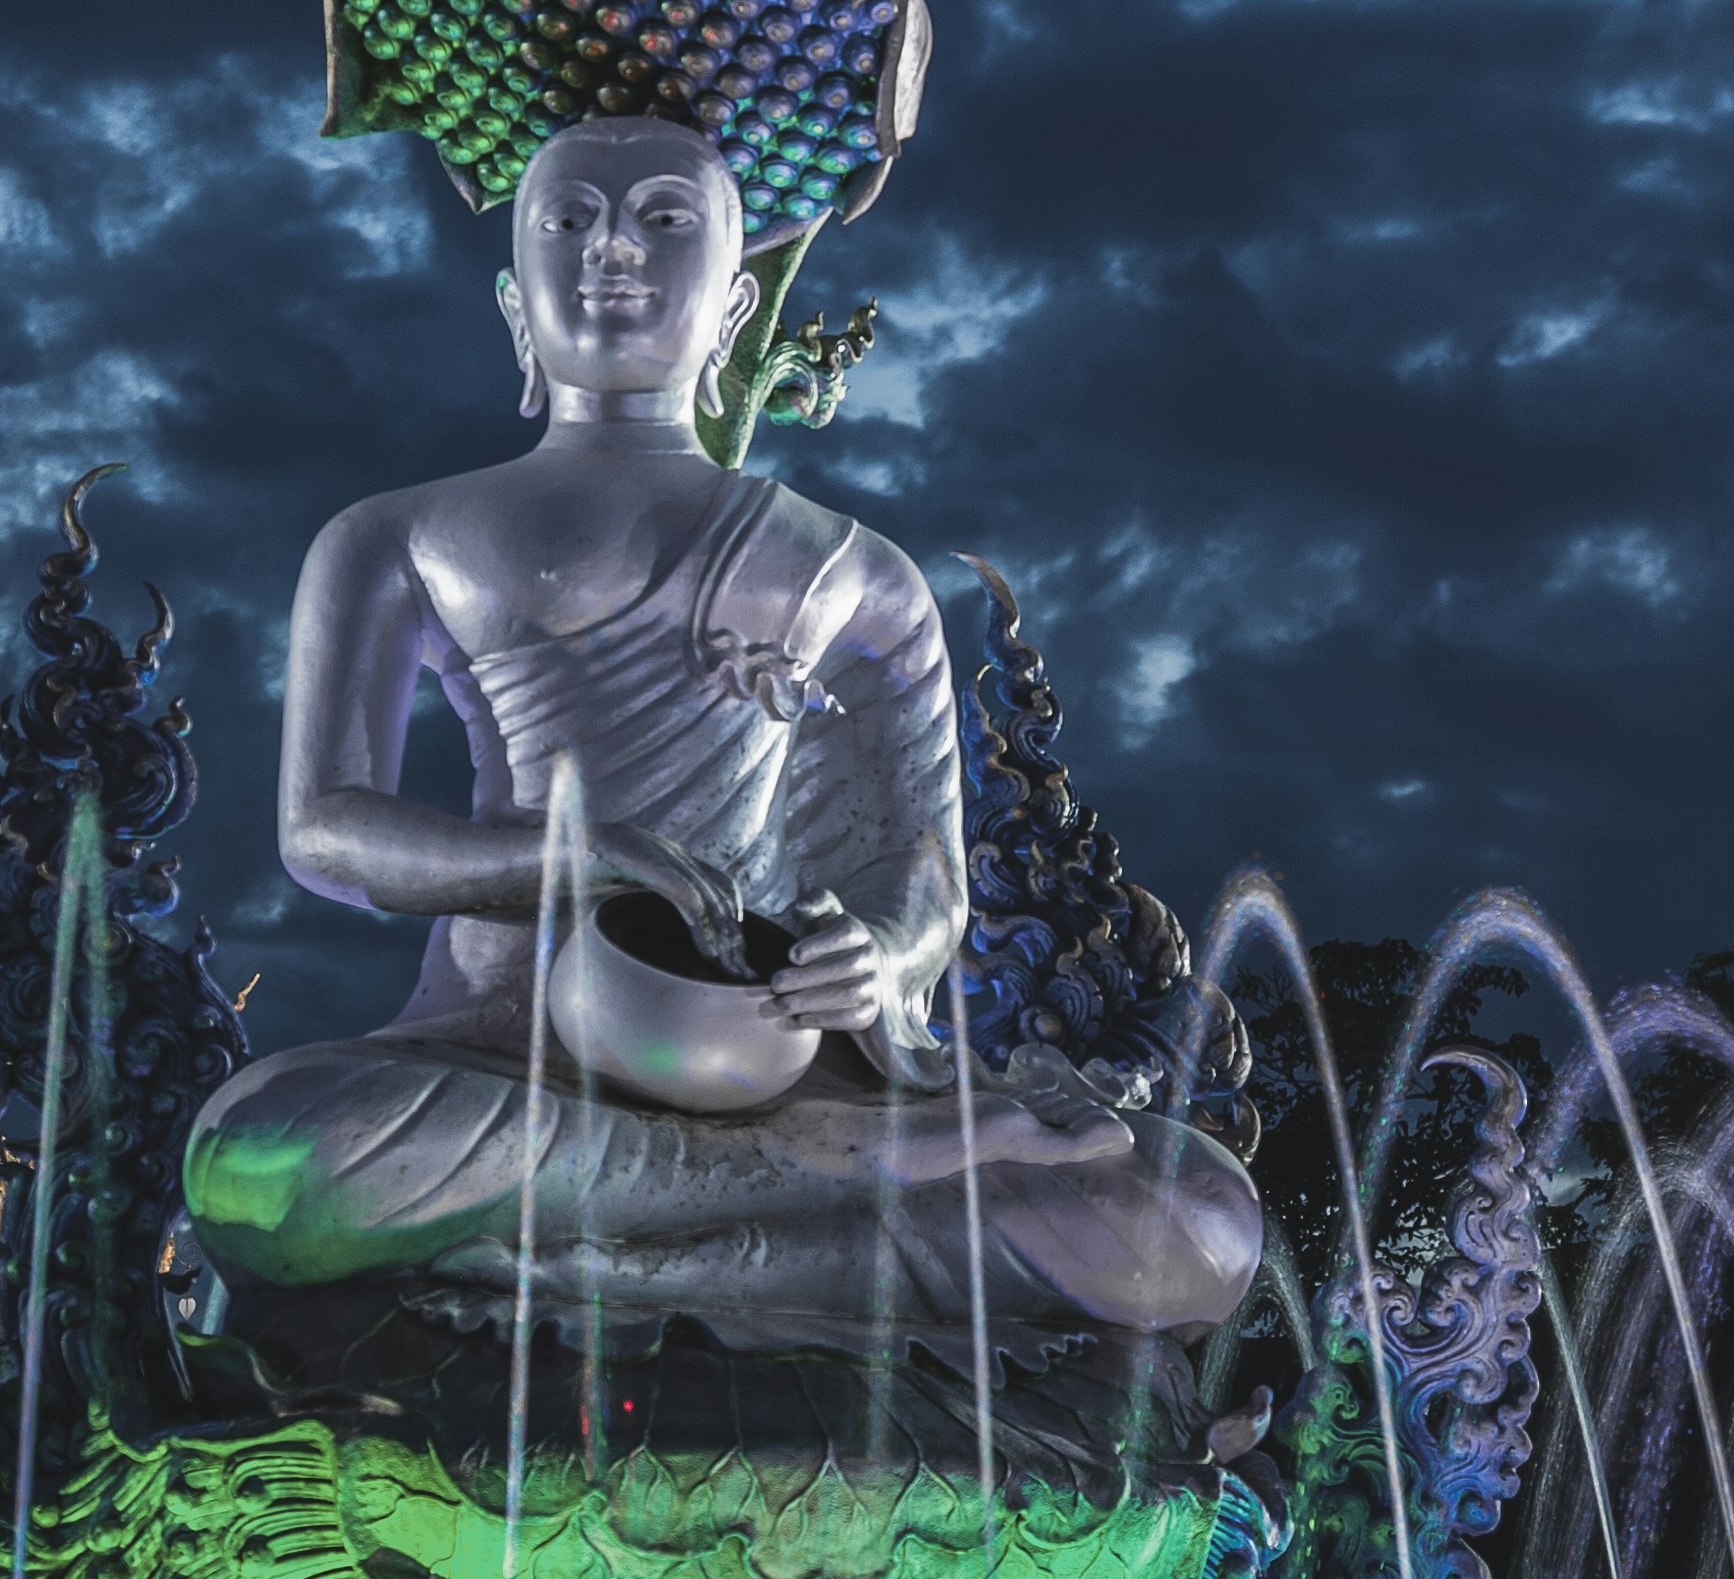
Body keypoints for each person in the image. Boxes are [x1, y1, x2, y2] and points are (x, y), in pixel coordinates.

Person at [182, 115, 1258, 1351]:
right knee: (262, 1160)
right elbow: (326, 833)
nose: (613, 250)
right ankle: (823, 1194)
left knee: (1198, 1217)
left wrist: (878, 959)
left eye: (664, 218)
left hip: (775, 1057)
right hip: (502, 1054)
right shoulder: (395, 535)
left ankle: (650, 1245)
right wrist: (571, 859)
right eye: (569, 221)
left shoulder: (857, 573)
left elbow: (920, 874)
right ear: (513, 305)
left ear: (737, 308)